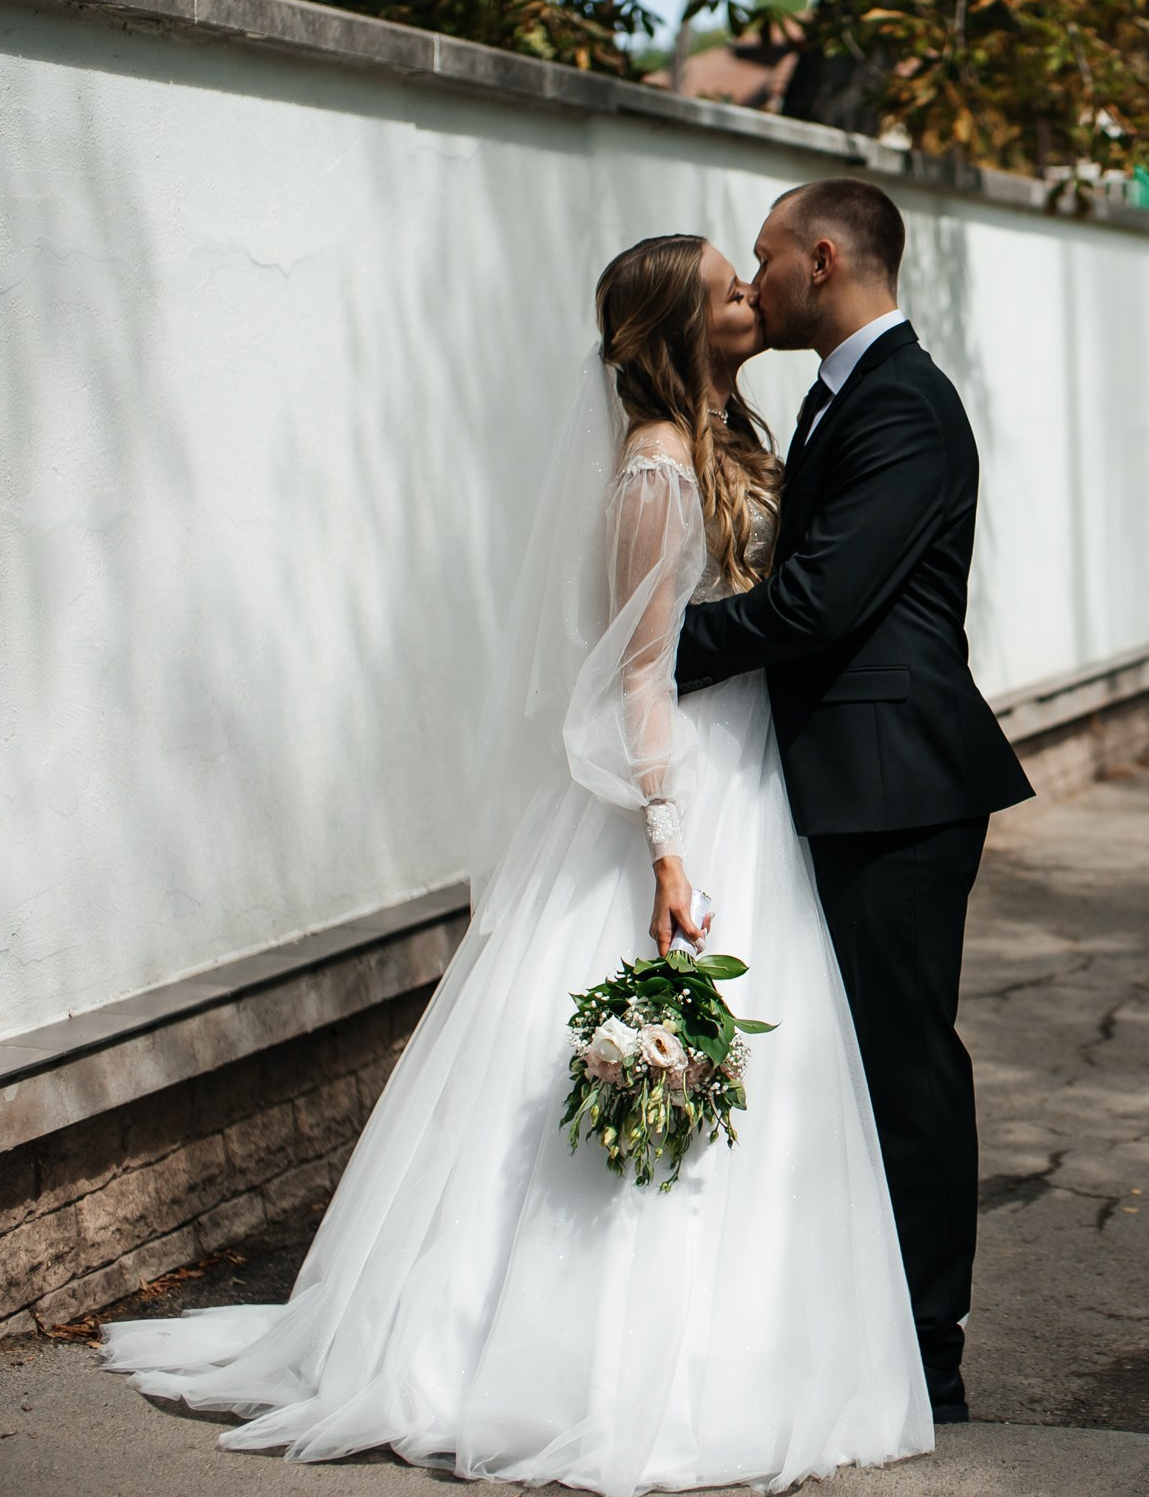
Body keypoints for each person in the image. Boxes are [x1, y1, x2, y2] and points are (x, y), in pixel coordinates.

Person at [98, 235, 934, 1495]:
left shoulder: (743, 436)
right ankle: (565, 1359)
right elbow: (640, 669)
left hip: (760, 776)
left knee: (780, 1062)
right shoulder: (656, 466)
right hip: (687, 786)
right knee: (651, 1027)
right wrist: (666, 841)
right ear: (678, 325)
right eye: (727, 289)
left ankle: (757, 1345)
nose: (752, 297)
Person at [671, 178, 1034, 1424]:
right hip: (841, 779)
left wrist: (658, 651)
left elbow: (819, 602)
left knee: (904, 1065)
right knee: (846, 1060)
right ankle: (846, 1322)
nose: (754, 282)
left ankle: (931, 1351)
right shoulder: (836, 399)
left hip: (899, 787)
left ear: (821, 260)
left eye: (766, 258)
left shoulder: (905, 409)